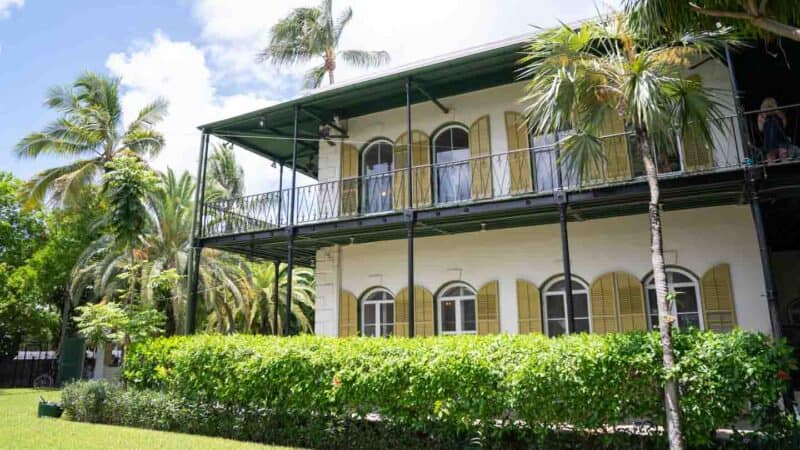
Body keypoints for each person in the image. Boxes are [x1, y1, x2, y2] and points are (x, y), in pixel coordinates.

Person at [757, 97, 790, 162]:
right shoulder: (778, 113)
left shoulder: (762, 115)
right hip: (779, 141)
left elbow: (760, 129)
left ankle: (772, 167)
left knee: (771, 159)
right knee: (784, 158)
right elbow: (784, 125)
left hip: (770, 142)